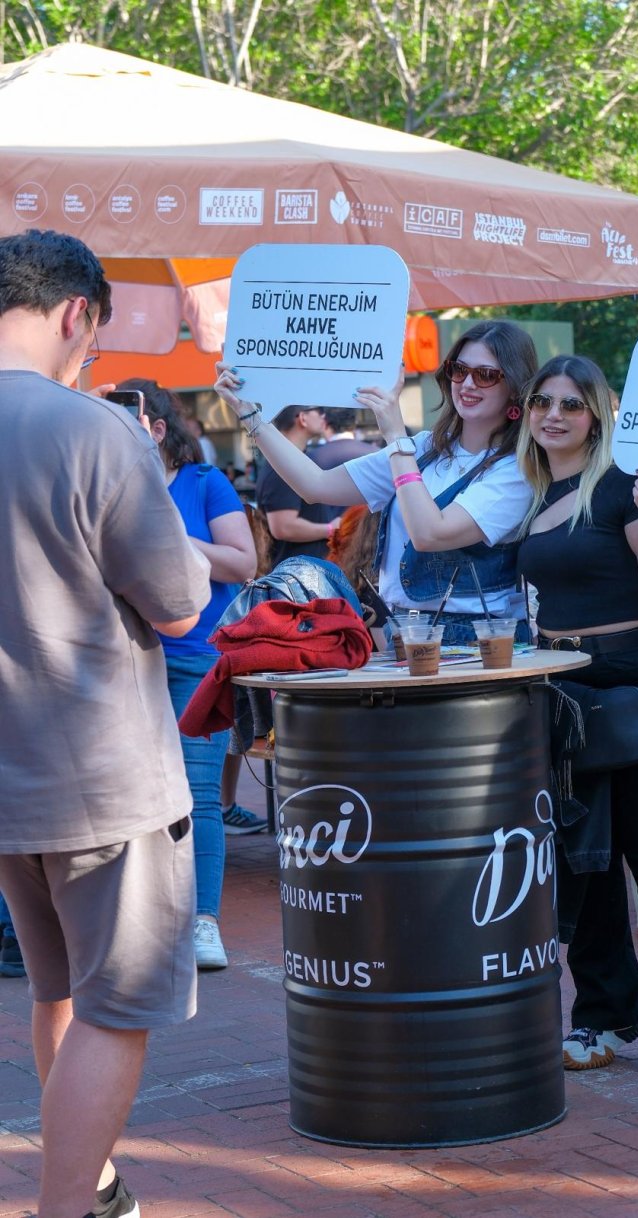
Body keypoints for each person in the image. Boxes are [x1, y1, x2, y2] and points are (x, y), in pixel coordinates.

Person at [0, 229, 211, 1218]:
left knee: (62, 994)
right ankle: (66, 1209)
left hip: (9, 780)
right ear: (76, 315)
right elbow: (177, 604)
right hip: (101, 770)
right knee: (116, 1008)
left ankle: (97, 1188)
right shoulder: (95, 432)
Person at [516, 354, 638, 1075]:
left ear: (597, 414)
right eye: (542, 403)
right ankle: (602, 1016)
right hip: (566, 690)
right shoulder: (535, 491)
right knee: (586, 860)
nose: (554, 415)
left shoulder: (623, 488)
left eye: (571, 403)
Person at [215, 320, 538, 643]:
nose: (467, 384)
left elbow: (430, 533)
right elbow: (315, 486)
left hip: (479, 637)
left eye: (485, 375)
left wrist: (396, 438)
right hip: (403, 628)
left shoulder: (515, 470)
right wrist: (249, 415)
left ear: (514, 388)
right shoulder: (425, 448)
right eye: (459, 370)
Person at [119, 378, 258, 969]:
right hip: (123, 657)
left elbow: (243, 562)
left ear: (157, 429)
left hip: (198, 655)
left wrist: (168, 533)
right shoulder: (111, 485)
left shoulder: (204, 483)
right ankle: (142, 921)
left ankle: (203, 923)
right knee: (126, 795)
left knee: (199, 795)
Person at [255, 404, 342, 563]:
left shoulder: (289, 460)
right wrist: (331, 529)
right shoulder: (282, 465)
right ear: (302, 418)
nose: (324, 416)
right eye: (319, 410)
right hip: (296, 577)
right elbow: (283, 527)